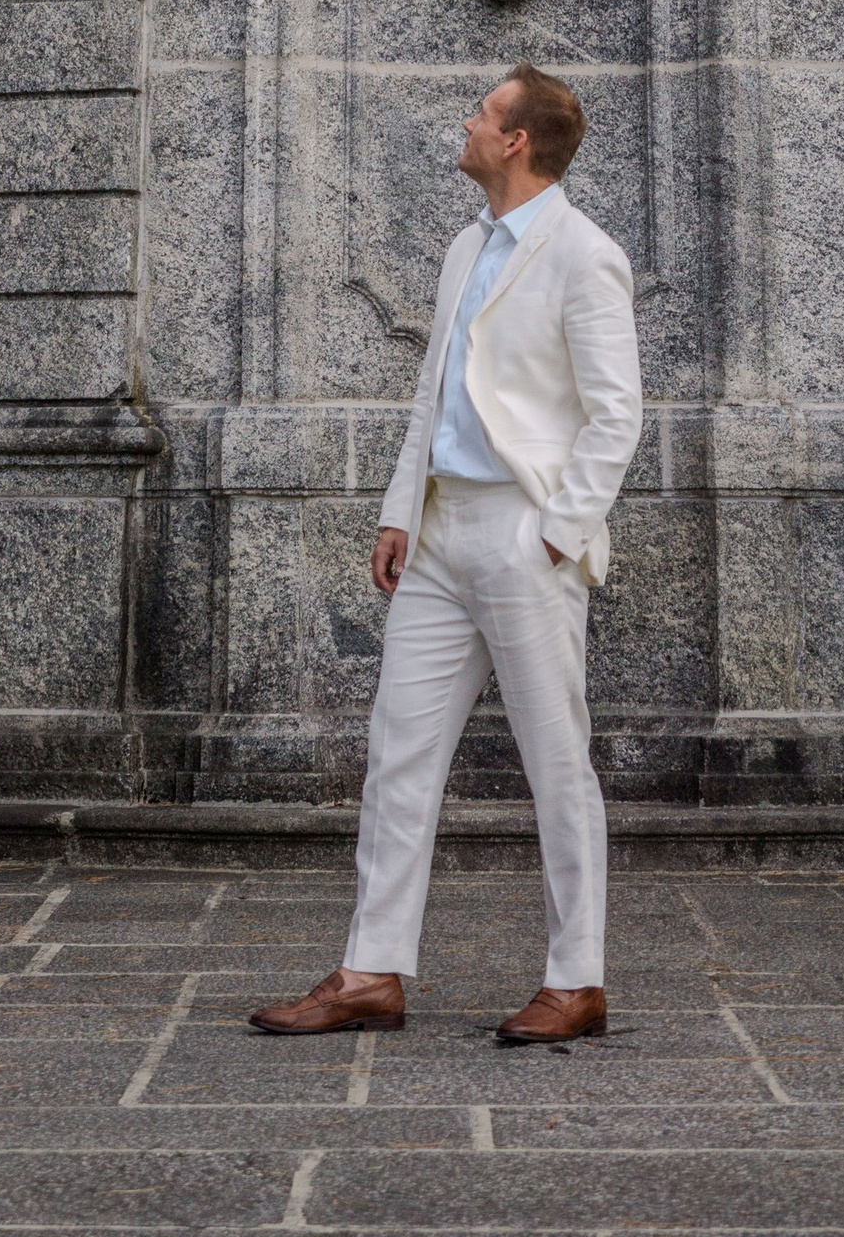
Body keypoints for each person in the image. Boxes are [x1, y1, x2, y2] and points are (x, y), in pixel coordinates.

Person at [249, 64, 641, 1049]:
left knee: (557, 764)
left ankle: (576, 978)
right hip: (437, 532)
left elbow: (616, 412)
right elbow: (434, 390)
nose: (465, 123)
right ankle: (369, 971)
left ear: (515, 140)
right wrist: (398, 509)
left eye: (481, 113)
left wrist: (555, 533)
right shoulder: (466, 242)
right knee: (398, 751)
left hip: (523, 533)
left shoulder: (583, 254)